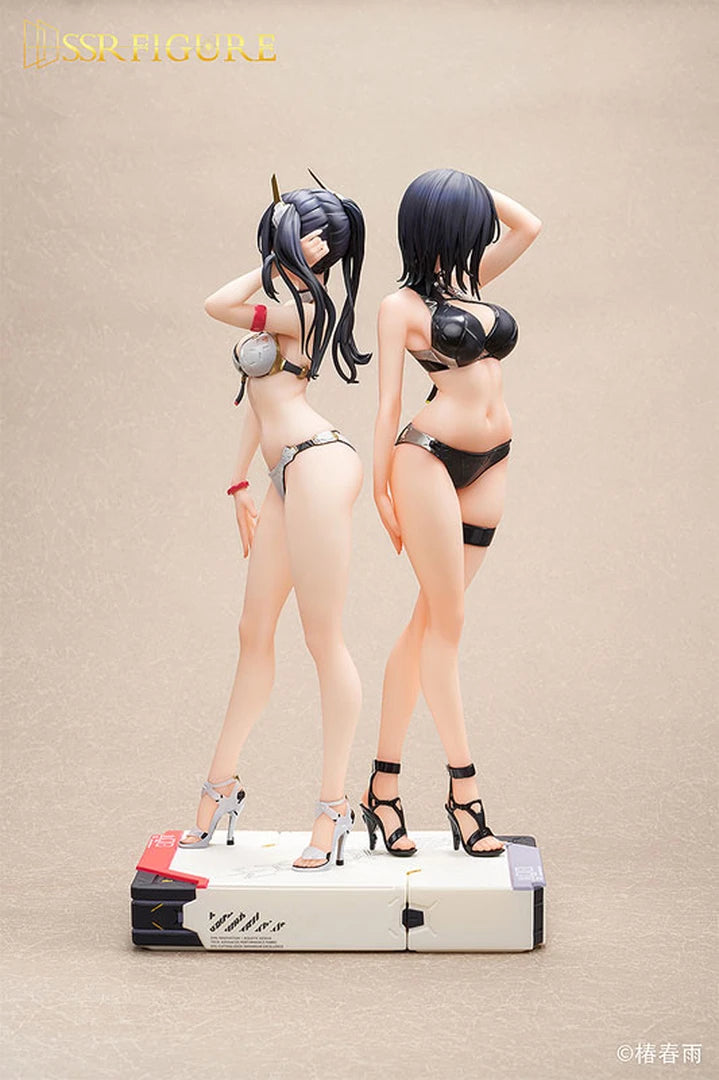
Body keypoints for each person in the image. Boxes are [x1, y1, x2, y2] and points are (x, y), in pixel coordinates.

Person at [180, 172, 370, 871]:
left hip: (319, 464)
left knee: (322, 638)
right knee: (252, 632)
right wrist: (241, 481)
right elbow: (258, 400)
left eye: (288, 231)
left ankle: (333, 807)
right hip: (284, 473)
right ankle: (221, 784)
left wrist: (278, 259)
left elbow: (215, 304)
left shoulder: (299, 307)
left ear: (312, 247)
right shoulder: (285, 300)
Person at [362, 167, 542, 857]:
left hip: (493, 460)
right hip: (428, 459)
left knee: (427, 625)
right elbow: (386, 402)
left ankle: (381, 787)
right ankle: (464, 794)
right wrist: (379, 486)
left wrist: (470, 184)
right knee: (449, 624)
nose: (479, 235)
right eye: (465, 222)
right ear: (436, 226)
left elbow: (528, 225)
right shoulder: (399, 306)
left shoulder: (471, 282)